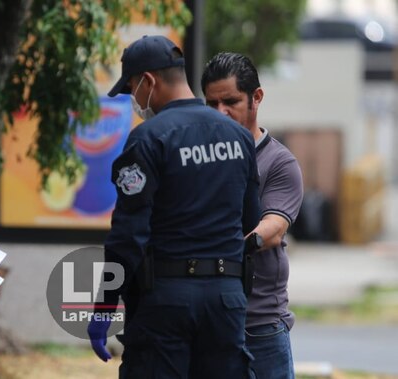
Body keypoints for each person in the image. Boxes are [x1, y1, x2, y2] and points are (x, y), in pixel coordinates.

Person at [86, 35, 261, 378]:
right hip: (226, 301)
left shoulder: (148, 138)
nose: (134, 100)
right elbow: (250, 219)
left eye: (132, 88)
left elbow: (127, 237)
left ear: (148, 81)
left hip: (167, 302)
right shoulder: (239, 137)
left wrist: (105, 306)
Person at [202, 52, 304, 379]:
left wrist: (222, 250)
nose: (221, 112)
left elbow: (271, 229)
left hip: (259, 325)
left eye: (230, 101)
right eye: (211, 104)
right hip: (207, 322)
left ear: (256, 97)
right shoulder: (196, 157)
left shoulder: (279, 162)